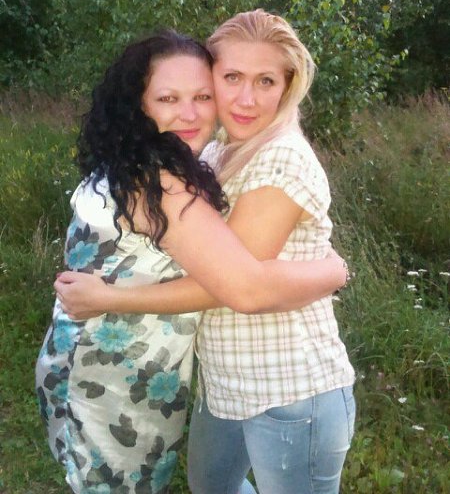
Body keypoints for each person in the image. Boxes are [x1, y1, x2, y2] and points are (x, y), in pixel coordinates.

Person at [39, 28, 348, 494]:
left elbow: (235, 284)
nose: (190, 112)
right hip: (123, 377)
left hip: (271, 381)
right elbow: (242, 287)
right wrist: (335, 270)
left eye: (201, 96)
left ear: (288, 86)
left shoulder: (148, 162)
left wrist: (107, 297)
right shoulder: (166, 176)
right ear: (139, 104)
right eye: (169, 98)